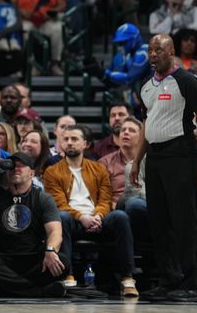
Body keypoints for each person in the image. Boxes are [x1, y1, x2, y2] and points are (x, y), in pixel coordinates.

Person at [133, 34, 197, 302]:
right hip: (154, 157)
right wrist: (136, 161)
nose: (153, 54)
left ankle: (194, 284)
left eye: (159, 49)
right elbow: (147, 124)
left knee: (184, 220)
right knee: (160, 221)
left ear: (171, 51)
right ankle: (169, 281)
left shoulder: (186, 80)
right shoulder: (145, 86)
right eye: (150, 50)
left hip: (181, 153)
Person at [43, 125, 138, 297]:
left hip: (98, 218)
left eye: (74, 139)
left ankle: (127, 278)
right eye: (66, 139)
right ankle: (68, 275)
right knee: (61, 217)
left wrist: (98, 216)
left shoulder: (98, 168)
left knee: (121, 216)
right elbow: (58, 203)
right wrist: (82, 217)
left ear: (85, 144)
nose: (69, 143)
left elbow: (106, 198)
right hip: (73, 220)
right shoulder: (52, 171)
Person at [0, 152, 67, 298]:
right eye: (12, 166)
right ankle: (37, 292)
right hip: (3, 257)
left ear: (32, 173)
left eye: (22, 166)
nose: (16, 168)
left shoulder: (42, 198)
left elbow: (55, 231)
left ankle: (5, 289)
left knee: (63, 262)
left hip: (33, 258)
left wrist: (50, 250)